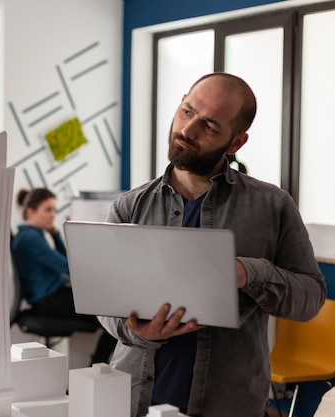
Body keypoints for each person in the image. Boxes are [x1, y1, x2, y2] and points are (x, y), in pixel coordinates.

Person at [98, 73, 326, 417]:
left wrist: (248, 272)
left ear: (236, 143)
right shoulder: (129, 206)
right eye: (187, 112)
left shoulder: (273, 206)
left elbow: (310, 298)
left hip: (229, 402)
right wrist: (135, 328)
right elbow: (105, 298)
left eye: (209, 126)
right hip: (134, 398)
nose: (187, 131)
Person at [12, 188, 116, 365]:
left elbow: (65, 262)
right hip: (49, 301)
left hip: (52, 297)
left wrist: (55, 234)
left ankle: (98, 364)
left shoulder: (33, 235)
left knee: (109, 311)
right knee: (112, 316)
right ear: (31, 212)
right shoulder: (30, 238)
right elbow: (66, 267)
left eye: (54, 210)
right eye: (48, 210)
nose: (53, 215)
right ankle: (98, 365)